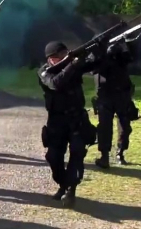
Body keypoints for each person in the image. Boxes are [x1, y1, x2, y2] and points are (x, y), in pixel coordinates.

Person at [38, 41, 99, 208]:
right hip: (56, 121)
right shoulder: (44, 71)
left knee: (77, 152)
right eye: (58, 58)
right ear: (51, 59)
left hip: (76, 118)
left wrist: (99, 48)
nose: (62, 59)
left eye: (64, 55)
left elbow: (95, 64)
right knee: (53, 157)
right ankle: (63, 184)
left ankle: (71, 189)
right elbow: (56, 83)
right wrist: (72, 64)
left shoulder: (74, 65)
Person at [92, 40, 140, 168]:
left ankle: (120, 152)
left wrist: (127, 42)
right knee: (104, 128)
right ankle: (105, 156)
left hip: (122, 96)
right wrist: (100, 52)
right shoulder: (99, 58)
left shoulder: (120, 57)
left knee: (124, 126)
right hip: (105, 97)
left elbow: (132, 55)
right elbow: (93, 67)